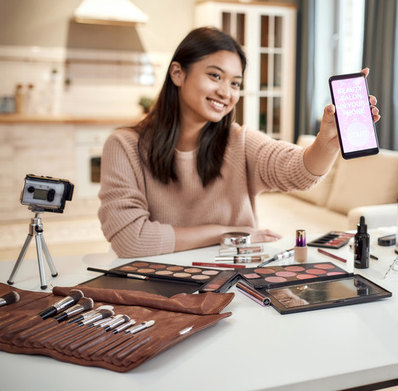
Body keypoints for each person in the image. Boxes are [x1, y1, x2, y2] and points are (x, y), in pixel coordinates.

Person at [98, 27, 379, 258]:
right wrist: (228, 233)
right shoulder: (124, 146)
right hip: (160, 282)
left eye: (235, 83)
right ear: (177, 73)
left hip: (233, 276)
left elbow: (297, 170)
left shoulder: (239, 141)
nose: (225, 92)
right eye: (215, 75)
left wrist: (327, 143)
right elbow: (129, 240)